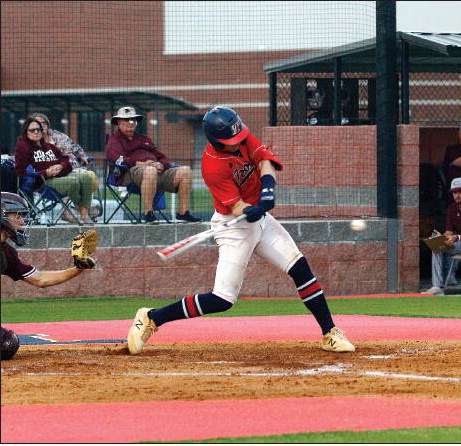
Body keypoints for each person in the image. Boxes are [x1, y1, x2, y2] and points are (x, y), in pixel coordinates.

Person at [126, 106, 355, 355]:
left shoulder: (242, 137)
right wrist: (249, 209)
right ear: (216, 140)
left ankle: (330, 332)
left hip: (261, 221)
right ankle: (152, 317)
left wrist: (267, 189)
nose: (237, 144)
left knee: (300, 268)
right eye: (230, 142)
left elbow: (264, 160)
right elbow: (235, 207)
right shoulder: (212, 165)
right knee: (222, 300)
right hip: (234, 228)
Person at [0, 192, 96, 359]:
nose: (22, 222)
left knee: (7, 343)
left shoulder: (7, 252)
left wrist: (78, 268)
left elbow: (40, 279)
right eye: (17, 216)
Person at [105, 106, 201, 224]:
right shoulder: (114, 140)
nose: (130, 123)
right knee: (150, 171)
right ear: (118, 122)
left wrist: (161, 164)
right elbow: (115, 158)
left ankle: (183, 212)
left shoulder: (144, 139)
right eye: (126, 120)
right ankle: (148, 213)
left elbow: (162, 157)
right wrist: (139, 163)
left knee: (185, 171)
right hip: (131, 172)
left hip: (156, 171)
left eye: (133, 120)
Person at [13, 118, 94, 224]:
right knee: (73, 182)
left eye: (38, 129)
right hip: (42, 182)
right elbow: (21, 170)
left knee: (86, 177)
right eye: (32, 130)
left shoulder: (49, 146)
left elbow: (65, 159)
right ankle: (82, 209)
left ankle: (83, 212)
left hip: (59, 177)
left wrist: (60, 166)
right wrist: (45, 173)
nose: (36, 132)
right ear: (26, 132)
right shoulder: (23, 148)